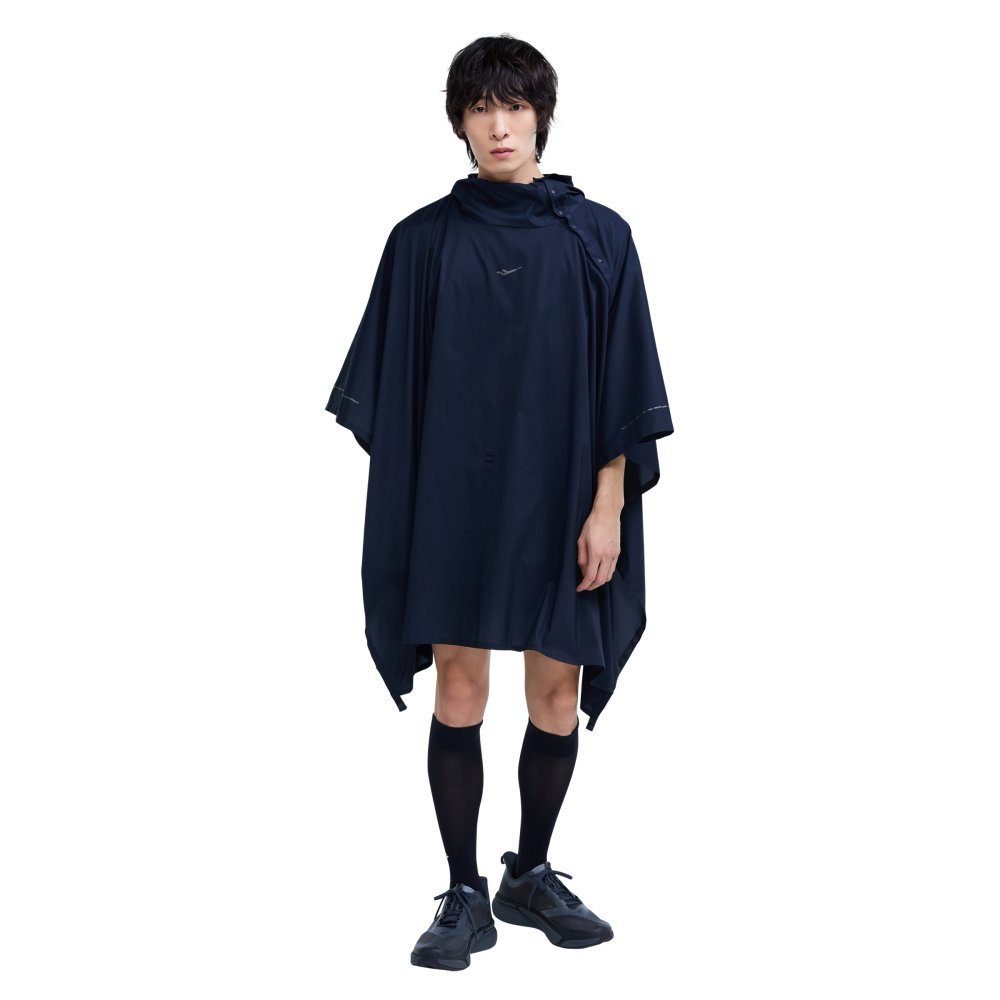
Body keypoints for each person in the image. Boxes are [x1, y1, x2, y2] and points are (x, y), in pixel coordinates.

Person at [324, 34, 674, 970]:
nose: (499, 125)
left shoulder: (599, 237)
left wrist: (607, 505)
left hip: (563, 500)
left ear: (540, 115)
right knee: (462, 686)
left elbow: (623, 382)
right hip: (457, 498)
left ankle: (532, 872)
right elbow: (392, 398)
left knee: (555, 689)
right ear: (460, 123)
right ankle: (464, 892)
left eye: (514, 106)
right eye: (480, 108)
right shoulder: (421, 243)